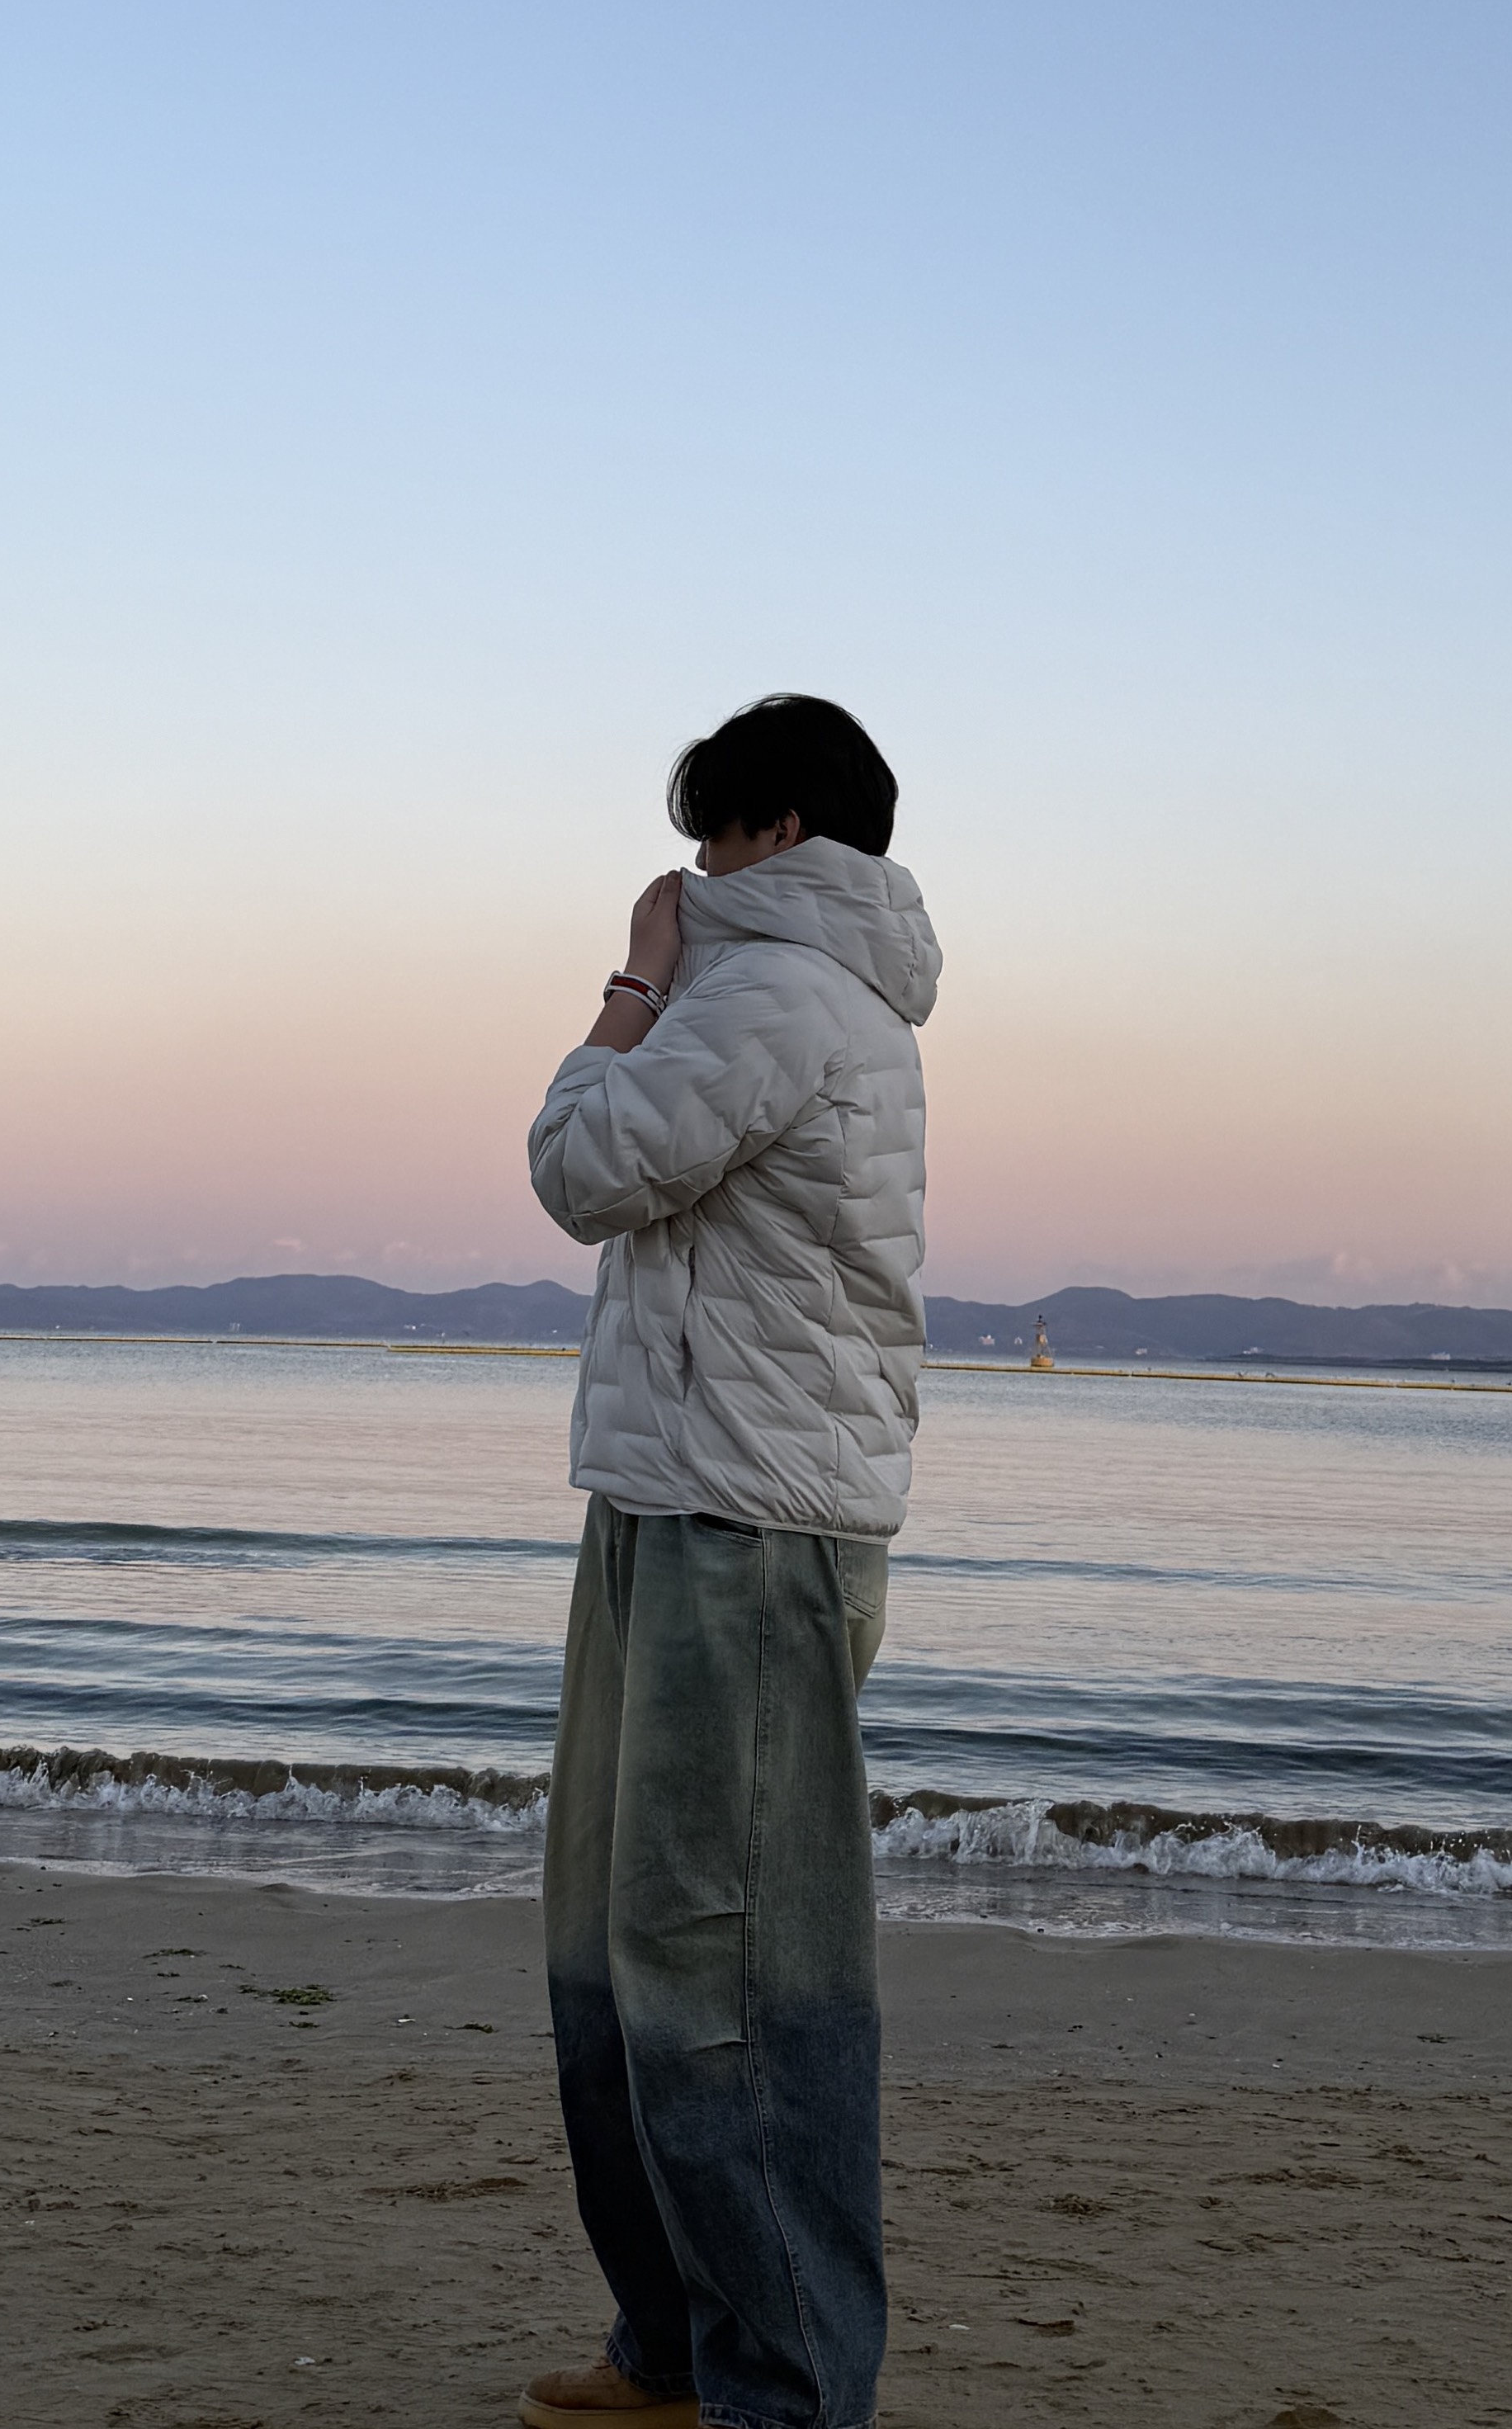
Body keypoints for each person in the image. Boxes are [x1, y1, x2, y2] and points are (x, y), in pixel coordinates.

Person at [519, 693, 942, 2429]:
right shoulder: (777, 993)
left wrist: (629, 981)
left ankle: (780, 2391)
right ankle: (680, 2347)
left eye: (712, 828)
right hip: (676, 1495)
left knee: (731, 1974)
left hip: (746, 1527)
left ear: (782, 834)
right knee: (624, 1952)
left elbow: (581, 1168)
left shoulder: (777, 994)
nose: (688, 862)